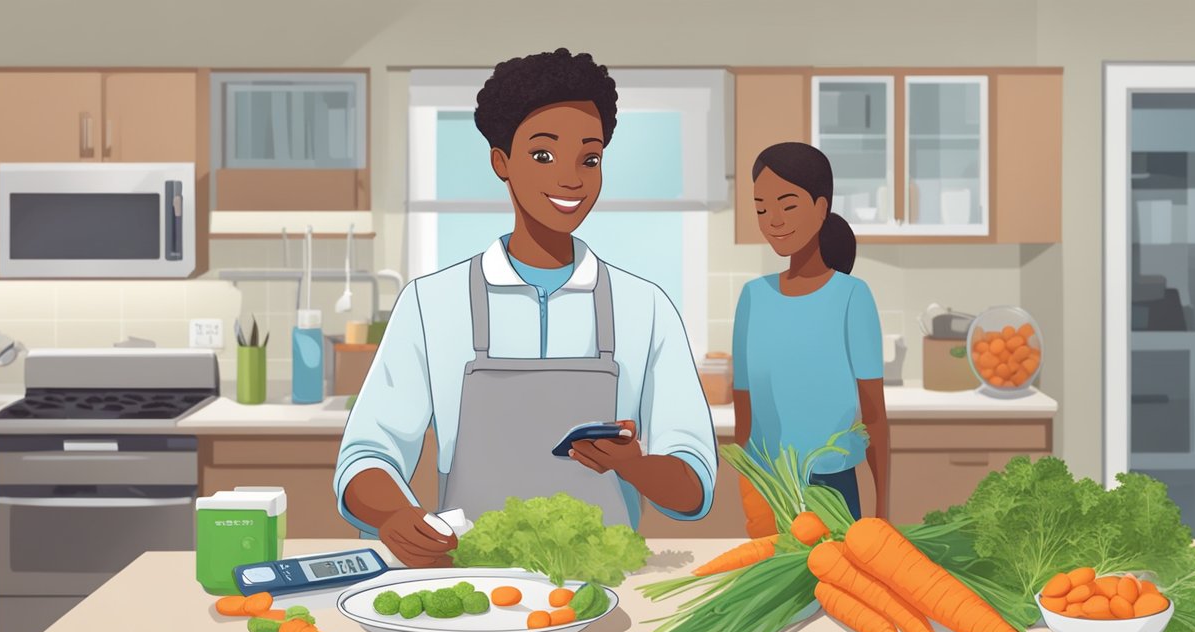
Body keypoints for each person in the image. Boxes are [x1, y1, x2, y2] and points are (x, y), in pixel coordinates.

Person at [334, 49, 717, 566]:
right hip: (471, 581)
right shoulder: (432, 304)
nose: (571, 179)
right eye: (543, 155)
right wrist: (393, 515)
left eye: (590, 158)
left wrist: (636, 467)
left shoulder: (645, 308)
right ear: (501, 162)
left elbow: (693, 487)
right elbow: (367, 455)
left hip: (603, 588)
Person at [732, 142, 890, 521]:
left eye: (788, 205)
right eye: (761, 209)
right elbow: (744, 411)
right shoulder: (752, 297)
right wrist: (747, 484)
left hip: (831, 486)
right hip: (766, 483)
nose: (773, 219)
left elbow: (874, 416)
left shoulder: (853, 296)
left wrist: (882, 510)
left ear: (821, 208)